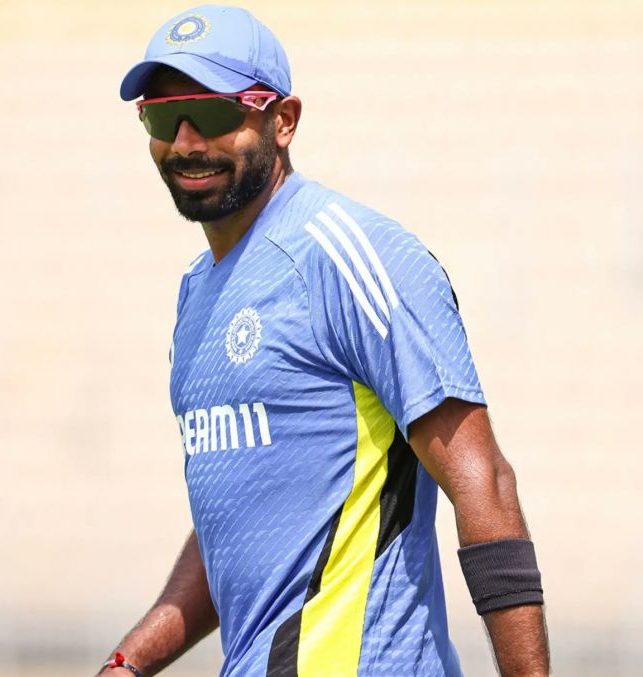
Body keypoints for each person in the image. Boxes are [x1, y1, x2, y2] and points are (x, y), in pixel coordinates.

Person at [99, 5, 549, 676]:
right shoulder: (198, 294)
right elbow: (244, 511)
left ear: (283, 120)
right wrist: (130, 660)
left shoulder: (351, 257)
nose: (187, 144)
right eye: (163, 118)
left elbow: (483, 480)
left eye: (214, 115)